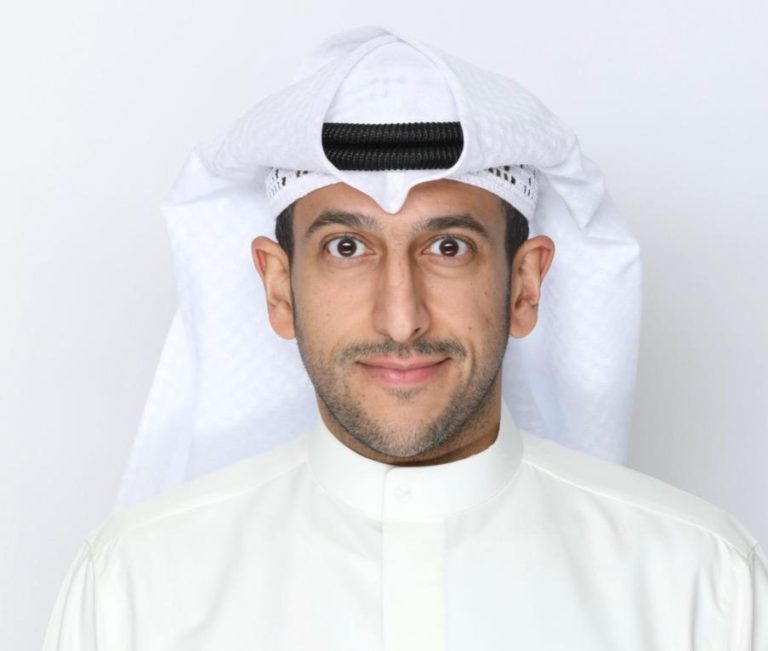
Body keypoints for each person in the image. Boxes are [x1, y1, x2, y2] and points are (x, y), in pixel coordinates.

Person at [44, 26, 766, 650]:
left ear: (524, 284)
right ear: (278, 287)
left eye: (448, 248)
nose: (400, 319)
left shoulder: (700, 585)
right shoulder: (134, 590)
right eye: (347, 249)